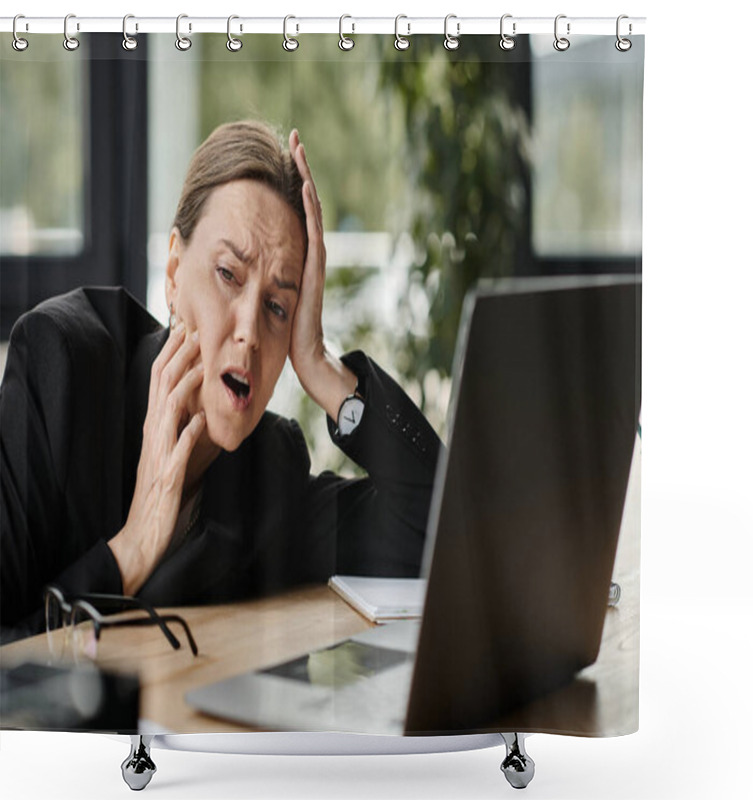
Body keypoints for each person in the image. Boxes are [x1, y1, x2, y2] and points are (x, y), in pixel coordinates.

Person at [0, 121, 441, 644]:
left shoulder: (269, 468)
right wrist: (132, 550)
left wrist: (320, 364)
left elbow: (438, 528)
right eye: (228, 275)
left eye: (278, 306)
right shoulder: (63, 367)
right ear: (173, 269)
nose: (251, 332)